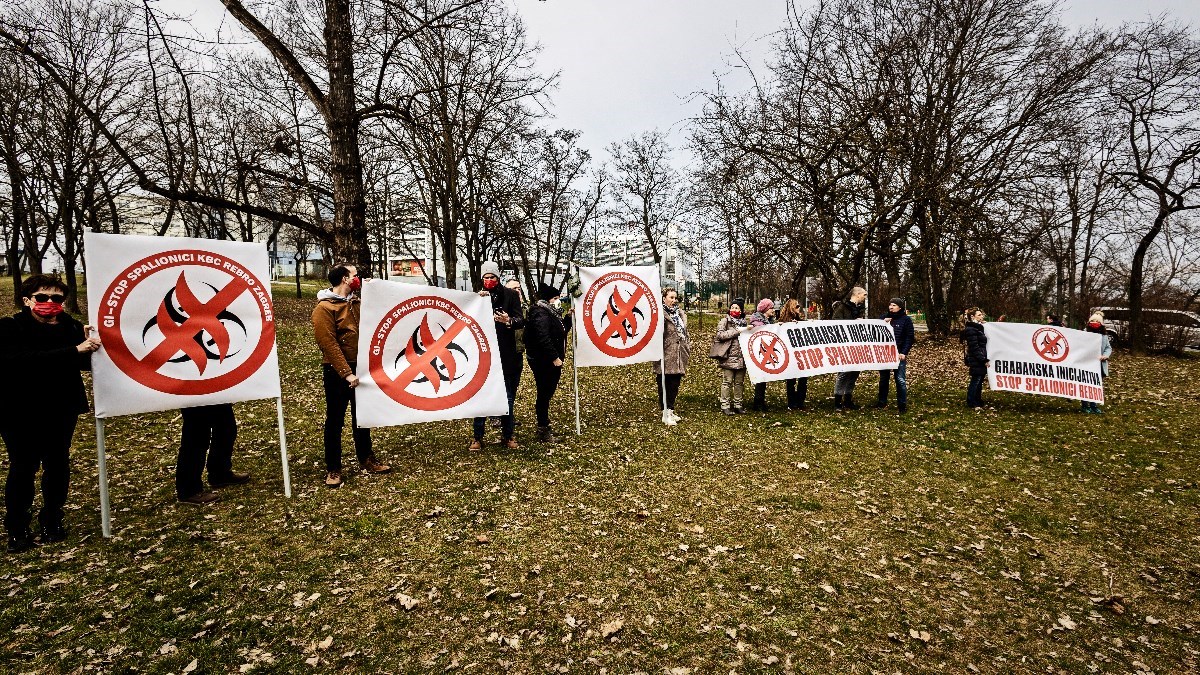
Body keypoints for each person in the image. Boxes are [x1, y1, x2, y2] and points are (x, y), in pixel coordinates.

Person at [0, 275, 100, 553]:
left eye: (56, 298)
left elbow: (83, 364)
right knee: (24, 467)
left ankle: (52, 520)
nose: (49, 303)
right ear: (27, 300)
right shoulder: (10, 327)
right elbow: (17, 361)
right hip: (18, 410)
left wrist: (92, 344)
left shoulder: (71, 327)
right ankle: (18, 528)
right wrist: (73, 350)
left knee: (57, 464)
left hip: (62, 407)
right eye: (42, 297)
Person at [312, 263, 391, 489]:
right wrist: (346, 373)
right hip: (337, 372)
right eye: (355, 275)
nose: (359, 278)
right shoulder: (324, 309)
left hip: (362, 368)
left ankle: (366, 458)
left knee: (362, 416)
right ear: (346, 279)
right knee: (335, 420)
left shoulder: (357, 303)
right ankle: (333, 468)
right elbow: (328, 344)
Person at [471, 262, 525, 450]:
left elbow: (520, 320)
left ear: (498, 278)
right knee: (481, 397)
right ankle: (477, 437)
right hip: (483, 355)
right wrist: (478, 302)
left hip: (506, 354)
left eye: (491, 277)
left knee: (507, 397)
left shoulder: (510, 295)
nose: (488, 281)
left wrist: (508, 320)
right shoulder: (476, 296)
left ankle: (508, 435)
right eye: (485, 278)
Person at [524, 282, 571, 443]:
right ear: (548, 299)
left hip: (549, 360)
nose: (558, 301)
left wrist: (568, 319)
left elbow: (560, 332)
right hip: (544, 361)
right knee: (544, 393)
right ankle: (543, 428)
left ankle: (543, 425)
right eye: (556, 298)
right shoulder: (541, 313)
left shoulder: (551, 313)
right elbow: (543, 336)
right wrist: (554, 357)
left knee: (547, 393)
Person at [176, 403, 250, 505]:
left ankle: (219, 473)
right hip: (192, 392)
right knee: (197, 433)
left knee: (226, 426)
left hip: (214, 389)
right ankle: (188, 490)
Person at [654, 287, 691, 425]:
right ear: (664, 298)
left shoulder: (679, 314)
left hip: (679, 354)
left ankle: (670, 409)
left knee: (675, 383)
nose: (674, 300)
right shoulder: (659, 314)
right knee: (664, 383)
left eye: (675, 298)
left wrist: (687, 346)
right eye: (671, 297)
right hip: (665, 354)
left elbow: (684, 332)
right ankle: (665, 412)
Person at [875, 298, 914, 413]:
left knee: (900, 379)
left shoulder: (906, 320)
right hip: (885, 354)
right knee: (883, 379)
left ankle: (902, 405)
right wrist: (882, 323)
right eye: (890, 305)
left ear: (900, 307)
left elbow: (909, 337)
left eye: (894, 305)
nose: (891, 307)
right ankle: (881, 402)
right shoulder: (883, 318)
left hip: (899, 354)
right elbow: (873, 331)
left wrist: (904, 352)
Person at [832, 286, 867, 410]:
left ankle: (848, 399)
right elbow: (835, 324)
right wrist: (853, 322)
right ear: (857, 294)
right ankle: (837, 401)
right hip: (845, 345)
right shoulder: (841, 307)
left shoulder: (860, 309)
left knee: (854, 372)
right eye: (864, 295)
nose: (865, 297)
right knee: (844, 372)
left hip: (858, 344)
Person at [712, 300, 750, 415]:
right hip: (728, 356)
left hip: (741, 358)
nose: (734, 310)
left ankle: (738, 405)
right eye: (732, 307)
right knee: (727, 382)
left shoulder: (745, 323)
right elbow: (720, 335)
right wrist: (738, 331)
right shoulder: (725, 321)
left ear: (741, 310)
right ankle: (725, 405)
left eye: (737, 308)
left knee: (739, 382)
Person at [777, 299, 809, 410]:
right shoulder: (782, 322)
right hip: (790, 355)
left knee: (803, 379)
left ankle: (800, 401)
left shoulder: (800, 320)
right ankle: (792, 402)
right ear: (791, 308)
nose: (799, 308)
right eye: (797, 306)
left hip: (801, 354)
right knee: (791, 380)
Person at [748, 298, 776, 411]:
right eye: (771, 308)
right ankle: (758, 402)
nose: (773, 310)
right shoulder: (757, 321)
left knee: (764, 378)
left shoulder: (769, 320)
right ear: (765, 309)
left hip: (766, 352)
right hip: (760, 353)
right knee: (760, 378)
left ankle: (761, 401)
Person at [1081, 312, 1111, 414]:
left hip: (1099, 364)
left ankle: (1094, 406)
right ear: (1089, 322)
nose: (1095, 323)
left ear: (1101, 323)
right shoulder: (1083, 334)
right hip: (1086, 364)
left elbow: (1108, 348)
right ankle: (1085, 405)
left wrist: (1105, 356)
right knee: (1085, 385)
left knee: (1096, 385)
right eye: (1093, 320)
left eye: (1097, 321)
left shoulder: (1104, 336)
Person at [961, 307, 989, 409]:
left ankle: (977, 401)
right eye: (979, 315)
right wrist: (983, 359)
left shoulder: (977, 328)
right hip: (976, 358)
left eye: (982, 315)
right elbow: (974, 347)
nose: (982, 317)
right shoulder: (971, 330)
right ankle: (972, 401)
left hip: (980, 357)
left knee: (979, 380)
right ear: (972, 317)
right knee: (976, 380)